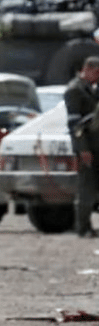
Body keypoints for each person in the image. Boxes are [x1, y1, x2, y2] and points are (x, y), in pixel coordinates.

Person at [65, 56, 99, 238]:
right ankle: (82, 226)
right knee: (86, 188)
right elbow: (75, 125)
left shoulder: (91, 89)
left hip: (97, 145)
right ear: (88, 69)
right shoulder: (75, 90)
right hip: (87, 146)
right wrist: (83, 148)